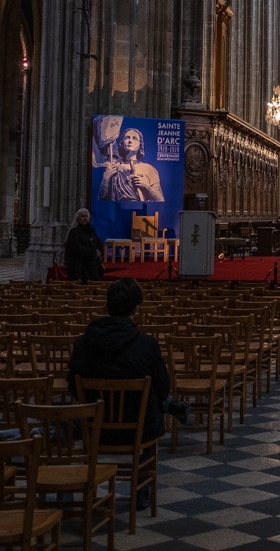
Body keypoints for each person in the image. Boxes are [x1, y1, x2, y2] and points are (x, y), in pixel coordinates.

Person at [67, 278, 188, 507]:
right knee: (155, 408)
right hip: (138, 430)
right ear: (136, 308)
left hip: (93, 429)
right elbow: (163, 387)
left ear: (107, 306)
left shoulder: (82, 343)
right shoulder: (146, 345)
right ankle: (142, 487)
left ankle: (88, 486)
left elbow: (73, 387)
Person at [99, 126, 164, 203]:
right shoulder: (113, 168)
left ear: (140, 145)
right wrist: (106, 179)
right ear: (122, 143)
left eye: (134, 138)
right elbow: (102, 200)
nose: (130, 141)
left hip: (140, 211)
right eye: (127, 138)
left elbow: (160, 200)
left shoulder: (149, 169)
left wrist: (147, 187)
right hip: (118, 210)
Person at [64, 208, 104, 283]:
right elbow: (77, 248)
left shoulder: (92, 231)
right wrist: (94, 252)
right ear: (78, 219)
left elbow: (99, 243)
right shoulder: (74, 232)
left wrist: (100, 251)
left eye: (86, 216)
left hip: (92, 266)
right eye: (82, 216)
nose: (85, 218)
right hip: (79, 267)